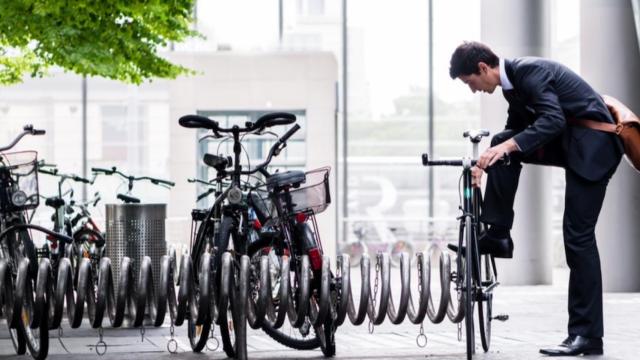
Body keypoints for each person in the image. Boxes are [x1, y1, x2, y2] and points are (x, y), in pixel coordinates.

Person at [448, 41, 623, 356]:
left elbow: (553, 120)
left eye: (470, 83)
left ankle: (587, 336)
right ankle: (498, 234)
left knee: (578, 238)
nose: (473, 91)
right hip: (574, 144)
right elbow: (514, 132)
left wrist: (504, 148)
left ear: (483, 69)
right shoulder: (512, 86)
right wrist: (487, 162)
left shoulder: (530, 71)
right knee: (502, 144)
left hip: (595, 148)